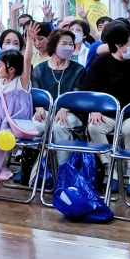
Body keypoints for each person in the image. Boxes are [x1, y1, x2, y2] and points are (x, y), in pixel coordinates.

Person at [81, 9, 130, 196]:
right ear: (119, 45)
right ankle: (111, 169)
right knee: (94, 127)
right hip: (109, 114)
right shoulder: (102, 63)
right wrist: (94, 110)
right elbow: (90, 90)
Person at [0, 32, 34, 191]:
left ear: (11, 69)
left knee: (0, 138)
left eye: (0, 65)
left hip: (17, 123)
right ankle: (3, 169)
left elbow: (27, 60)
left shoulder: (22, 81)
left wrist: (30, 41)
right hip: (0, 121)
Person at [30, 27, 86, 170]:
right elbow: (36, 93)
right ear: (54, 45)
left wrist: (64, 109)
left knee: (59, 125)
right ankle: (35, 168)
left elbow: (76, 93)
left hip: (71, 112)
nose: (68, 47)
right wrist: (39, 108)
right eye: (64, 43)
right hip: (46, 110)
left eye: (71, 44)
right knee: (36, 125)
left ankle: (62, 169)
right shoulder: (39, 69)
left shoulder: (78, 69)